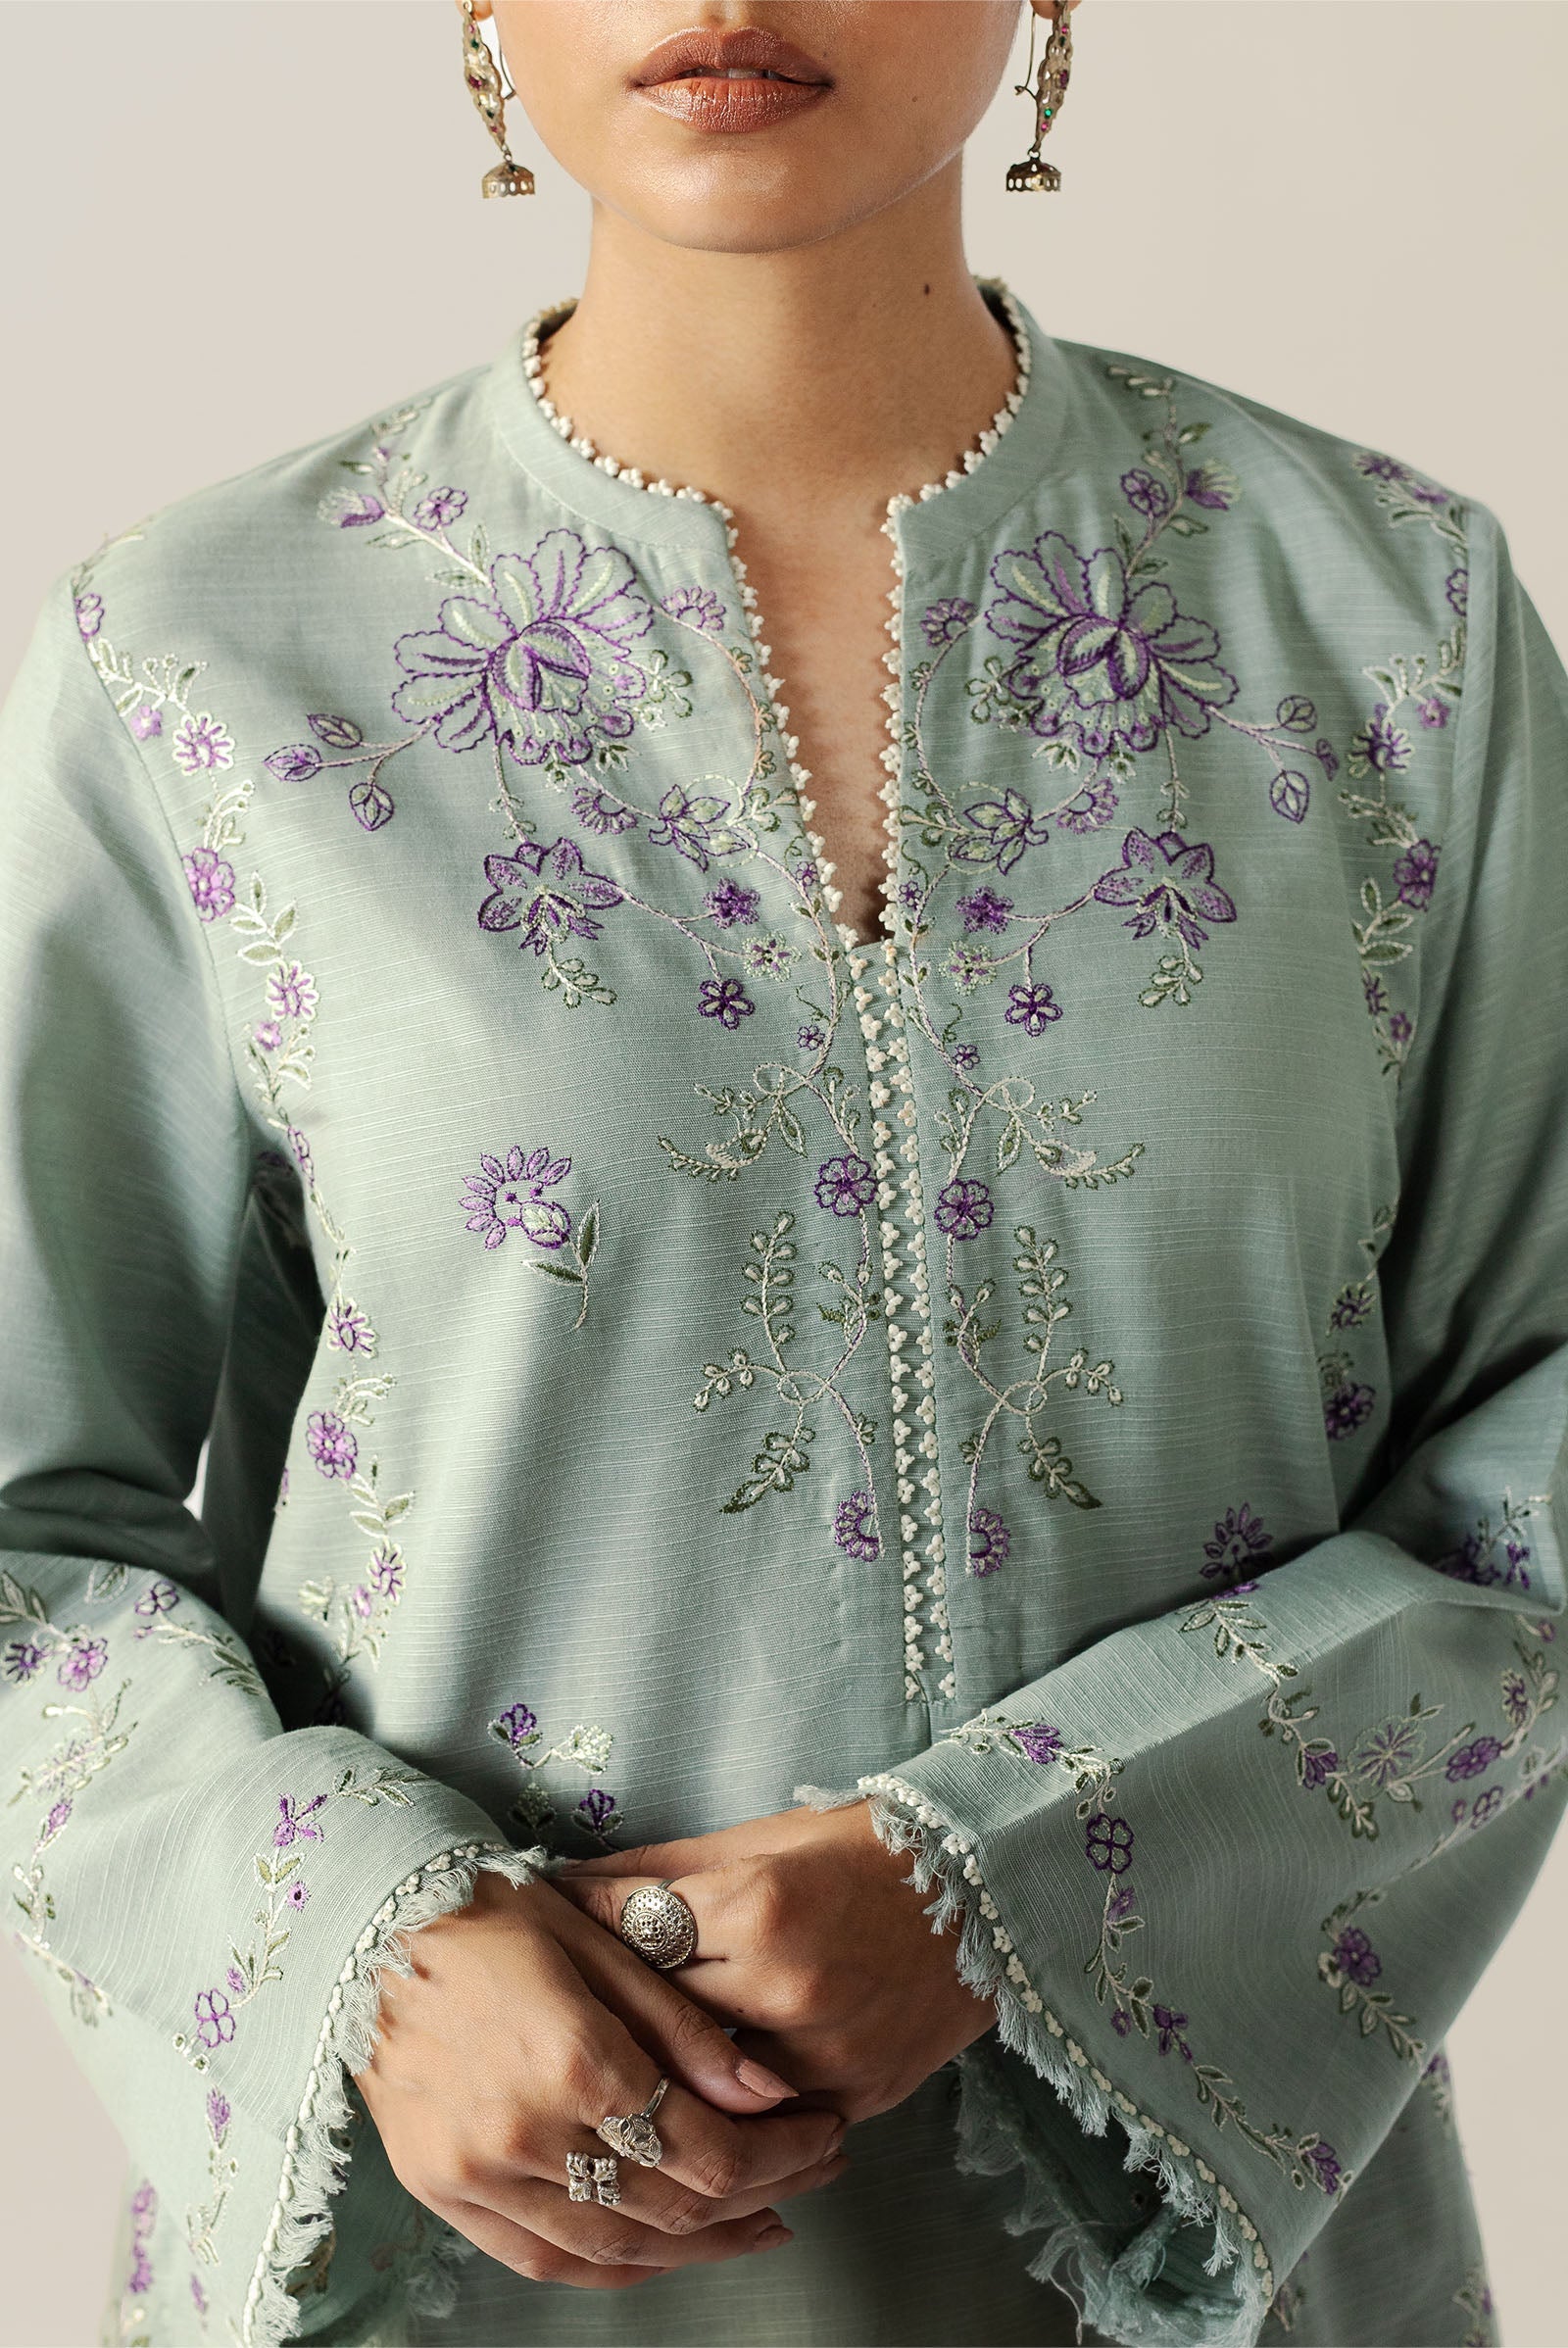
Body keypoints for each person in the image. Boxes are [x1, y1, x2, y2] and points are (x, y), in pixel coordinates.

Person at [2, 4, 1564, 2344]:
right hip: (458, 2273)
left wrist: (1013, 1877)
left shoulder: (1386, 627)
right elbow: (30, 1531)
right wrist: (361, 1948)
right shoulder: (196, 663)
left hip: (1219, 2268)